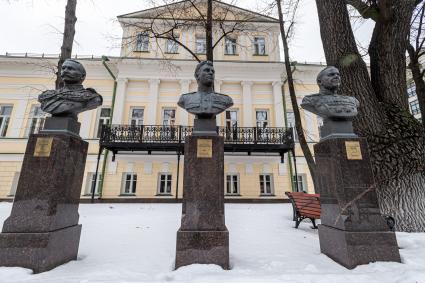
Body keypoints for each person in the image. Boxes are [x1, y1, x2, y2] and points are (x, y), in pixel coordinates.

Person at [38, 59, 103, 120]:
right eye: (63, 68)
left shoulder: (92, 98)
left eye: (70, 69)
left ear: (82, 76)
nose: (65, 71)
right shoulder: (48, 96)